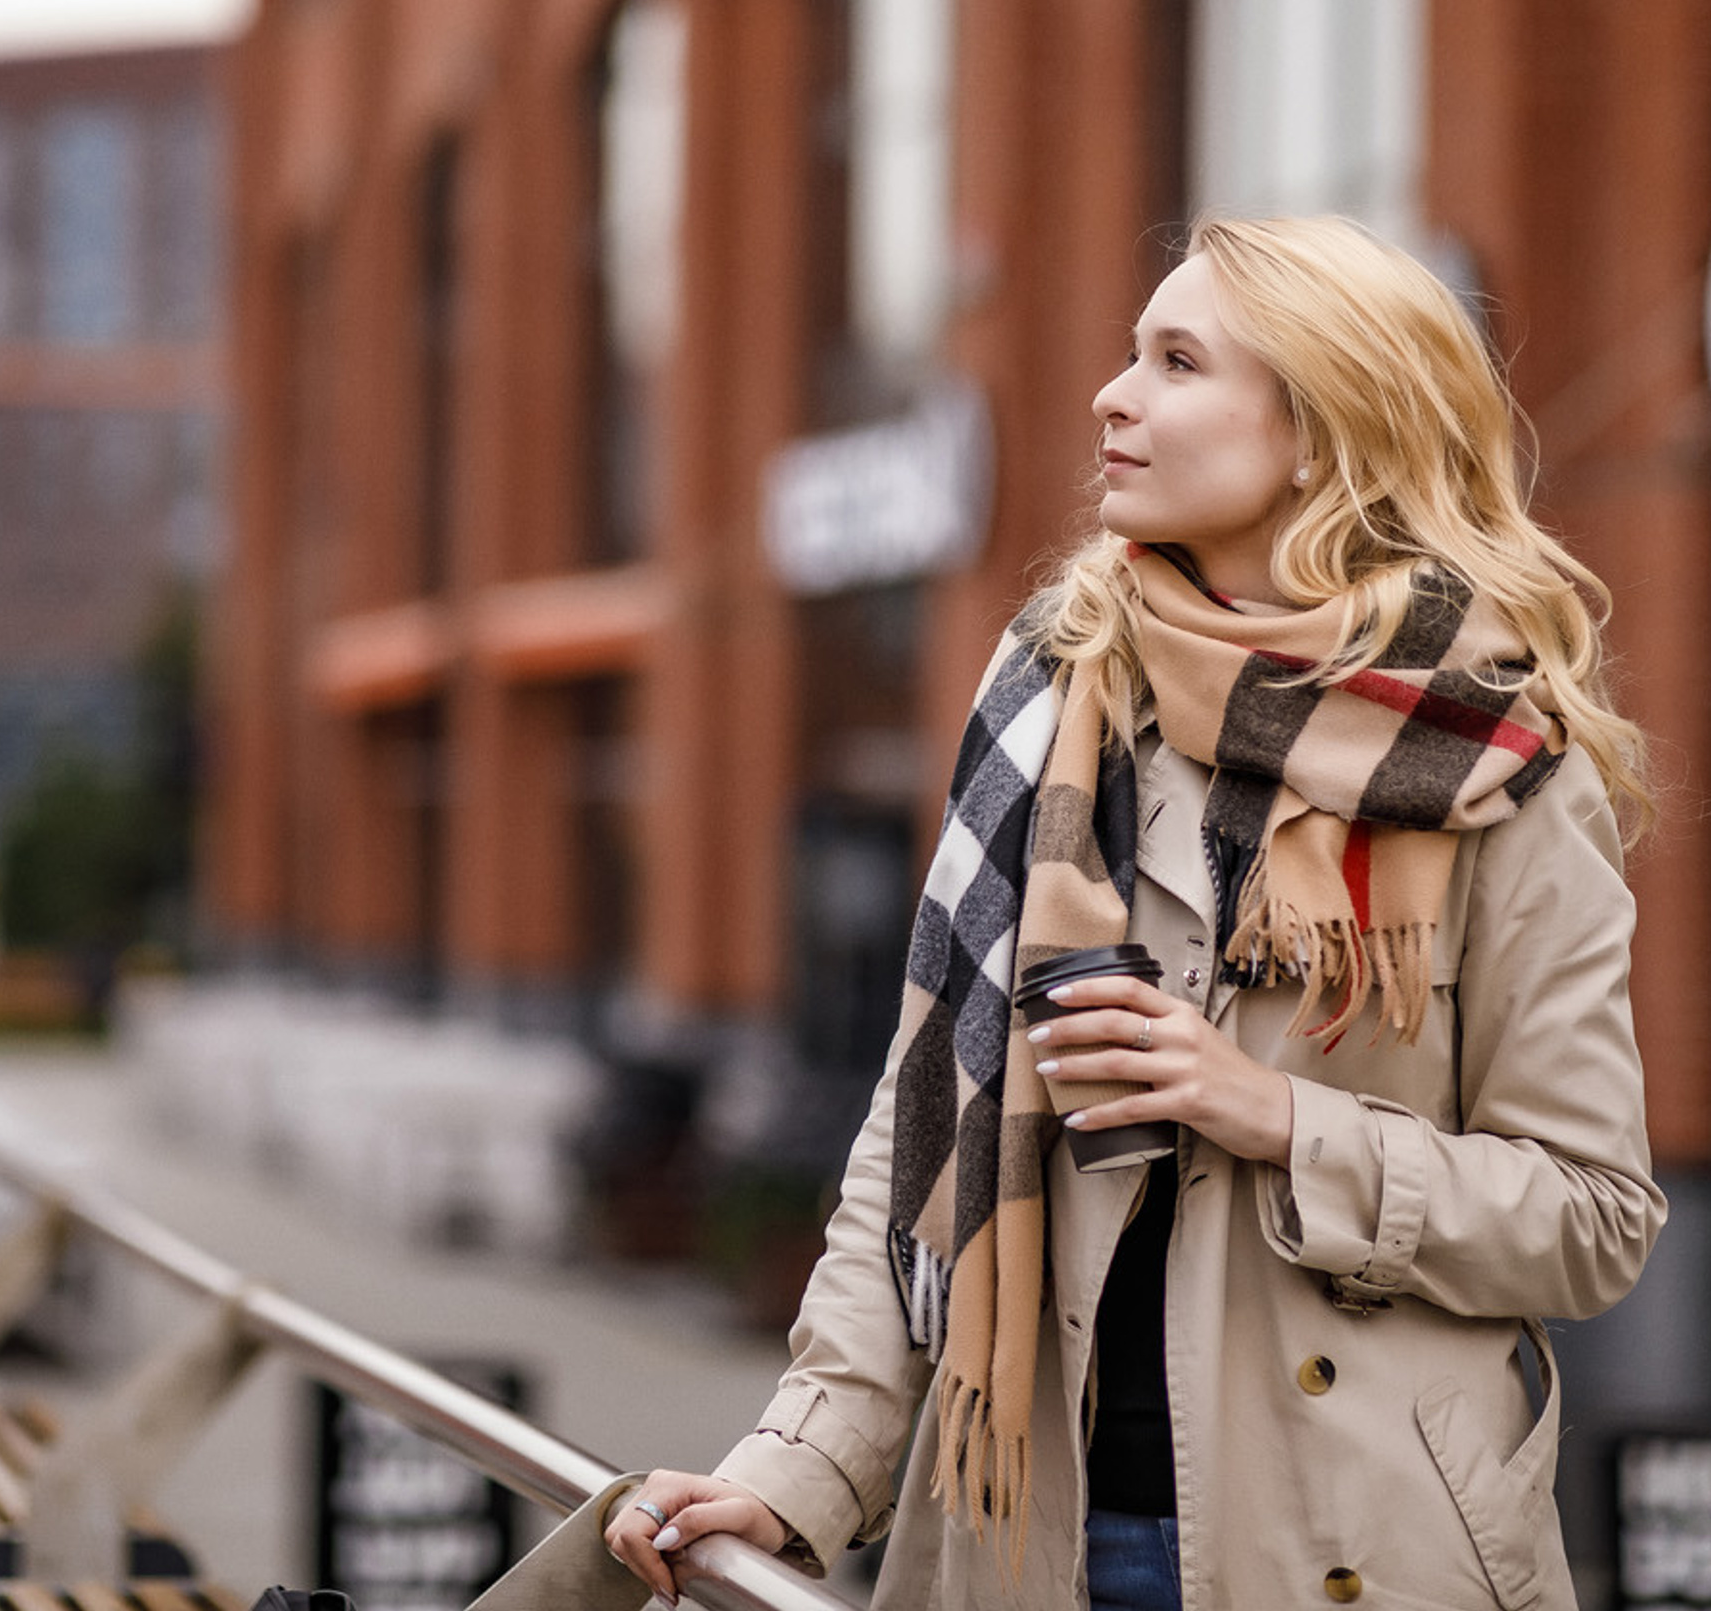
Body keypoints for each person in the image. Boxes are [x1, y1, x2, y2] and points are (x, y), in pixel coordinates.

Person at [605, 215, 1666, 1610]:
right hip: (1024, 1538)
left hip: (1359, 1550)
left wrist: (1278, 1117)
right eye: (1129, 353)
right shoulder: (1052, 705)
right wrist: (797, 1471)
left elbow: (1593, 1218)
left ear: (1325, 434)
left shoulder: (1504, 771)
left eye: (1178, 362)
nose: (1114, 395)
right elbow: (925, 1130)